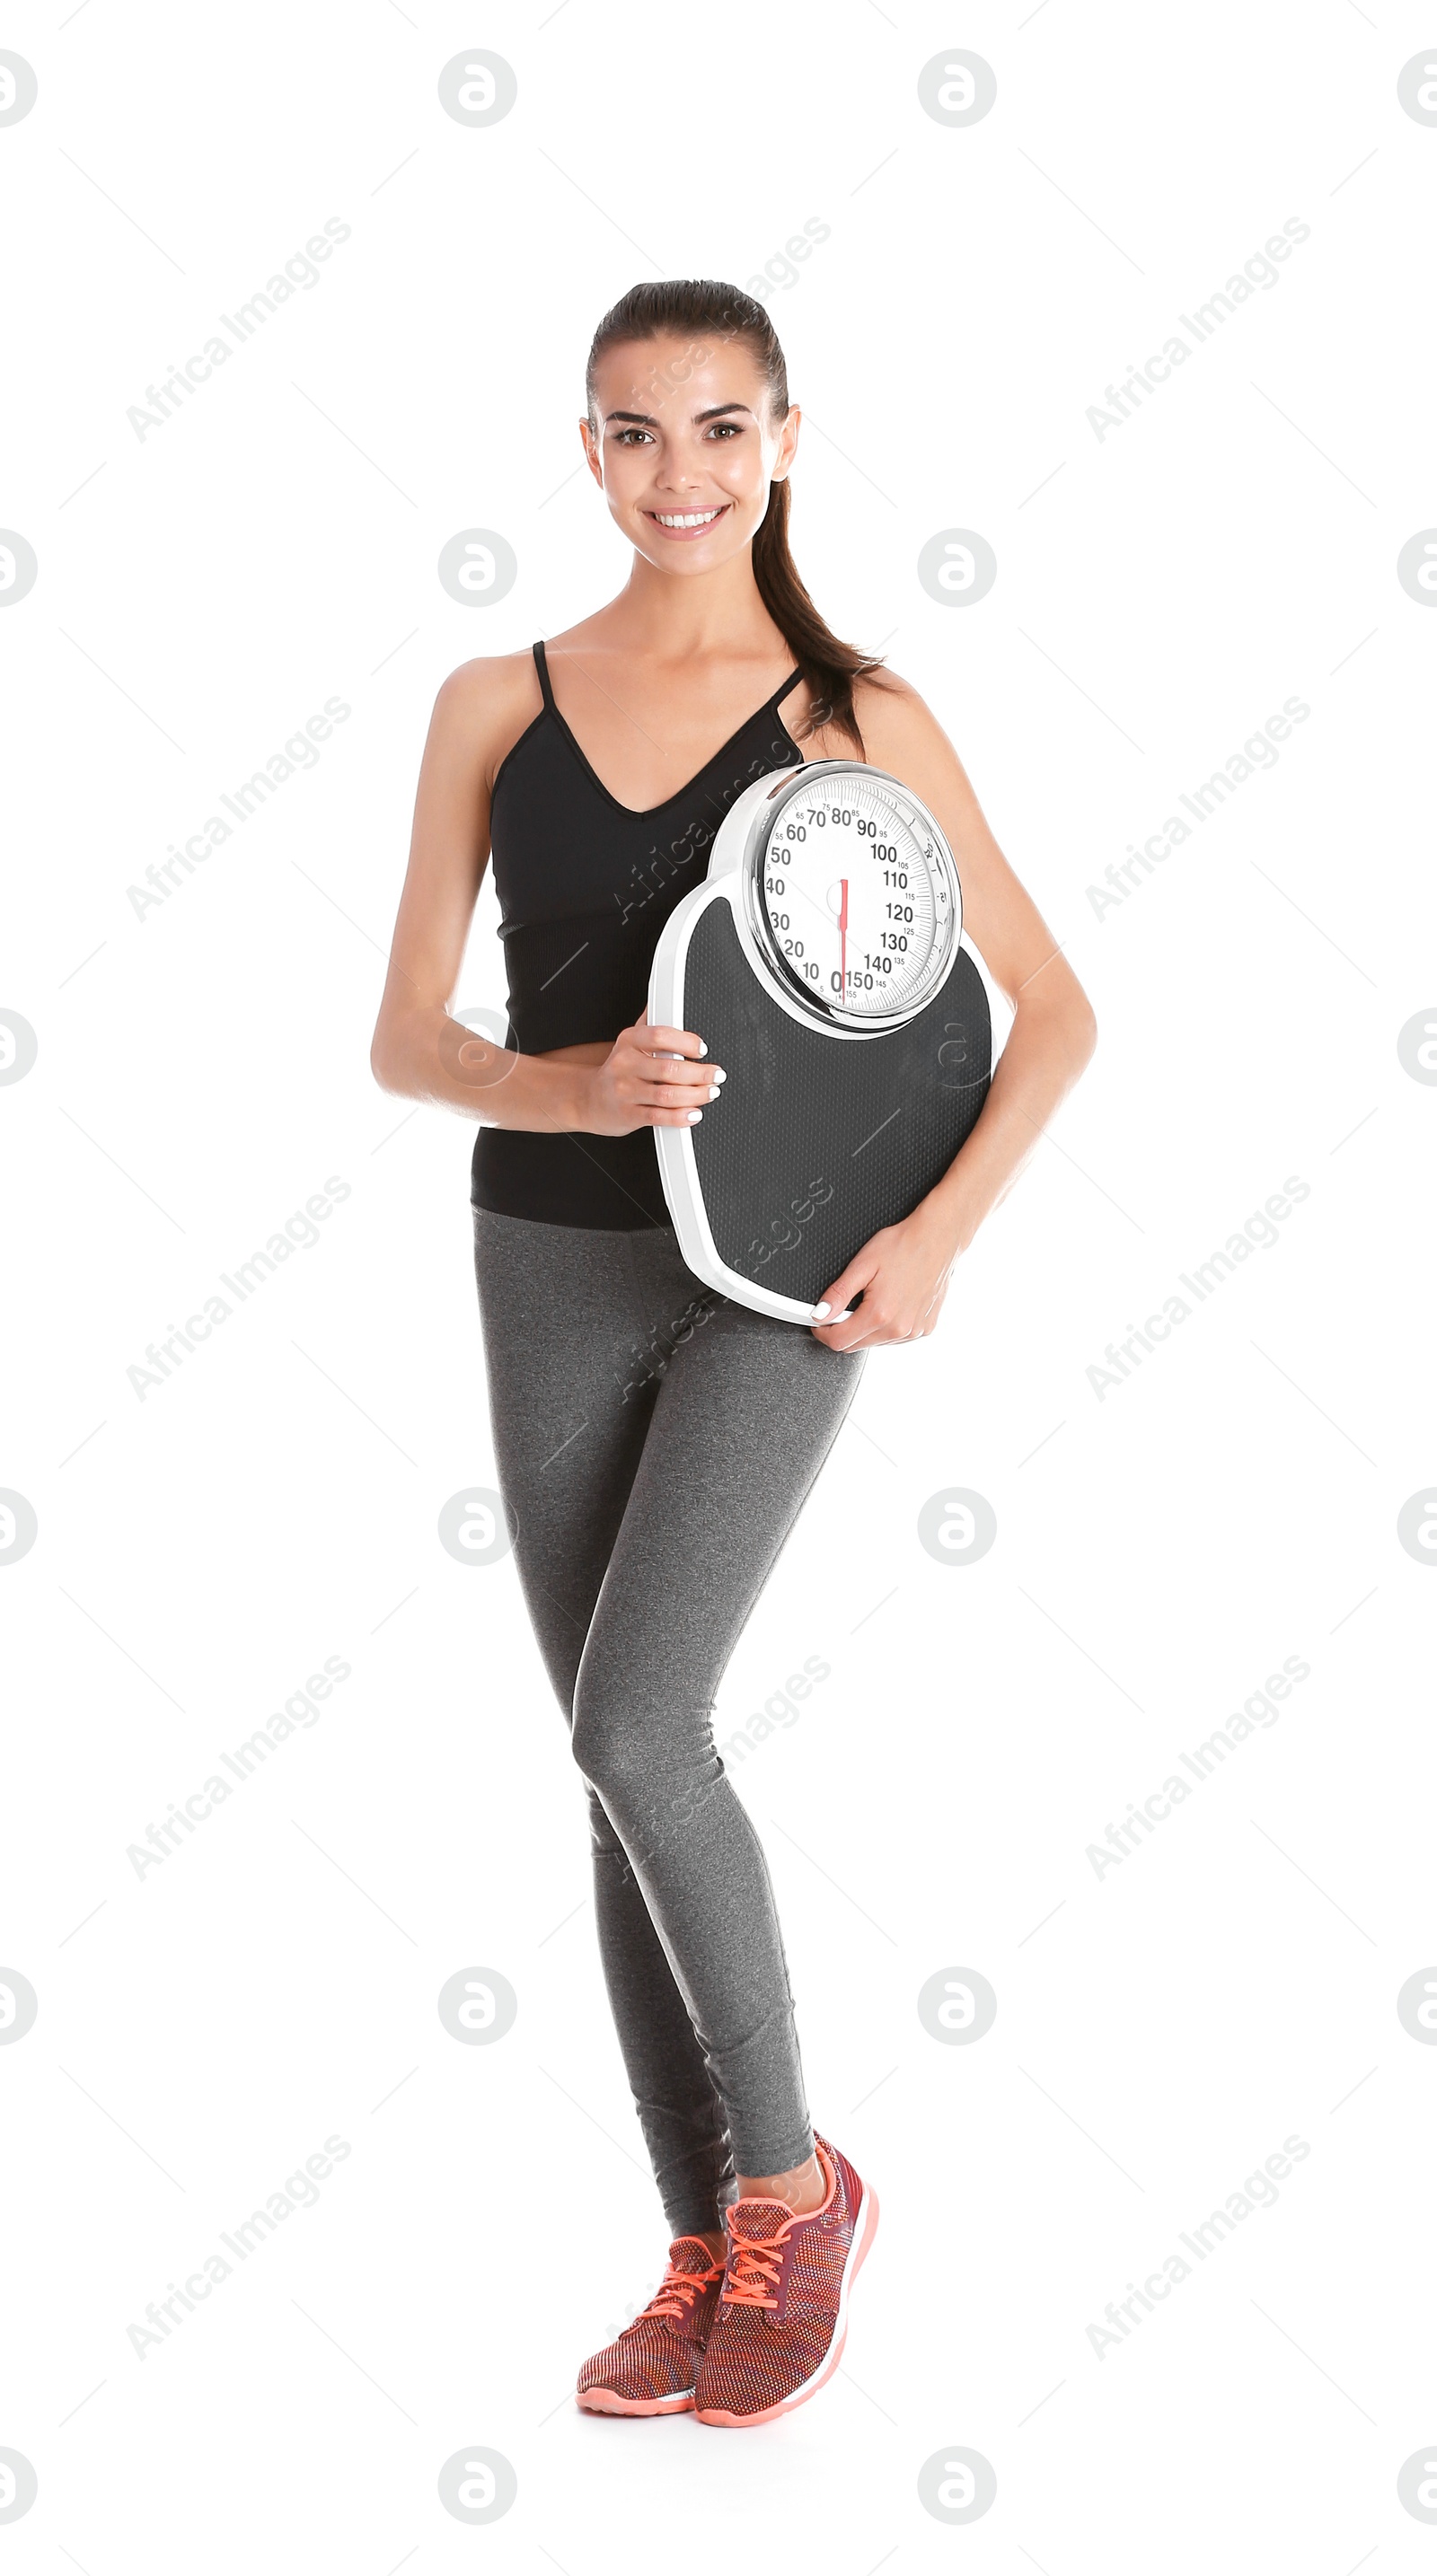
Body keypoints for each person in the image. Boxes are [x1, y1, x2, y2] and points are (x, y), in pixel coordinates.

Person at [370, 277, 1097, 2429]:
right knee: (613, 1771)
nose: (671, 474)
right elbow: (407, 1037)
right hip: (550, 1262)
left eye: (713, 428)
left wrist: (937, 1237)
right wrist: (568, 1086)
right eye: (627, 432)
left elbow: (1047, 1010)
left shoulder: (858, 711)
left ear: (786, 437)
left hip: (785, 1275)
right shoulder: (490, 703)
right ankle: (699, 2255)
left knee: (638, 1719)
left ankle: (795, 2193)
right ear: (581, 452)